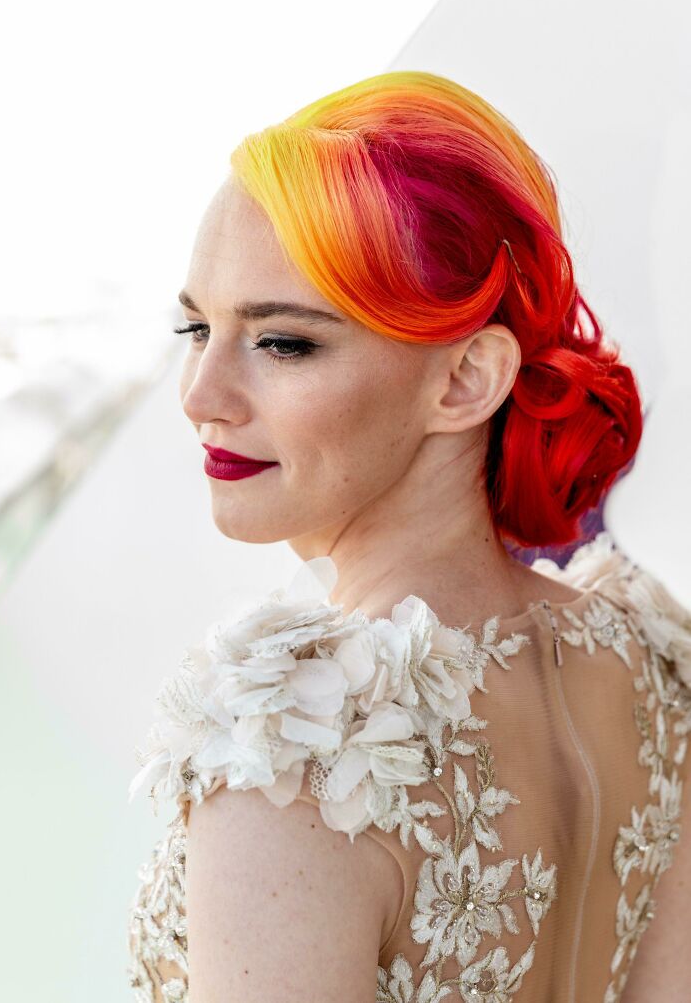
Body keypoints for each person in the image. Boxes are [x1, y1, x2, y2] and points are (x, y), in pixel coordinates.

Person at [126, 70, 691, 1002]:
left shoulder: (292, 746)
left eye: (282, 342)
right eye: (197, 327)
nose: (201, 398)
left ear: (468, 378)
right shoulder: (653, 658)